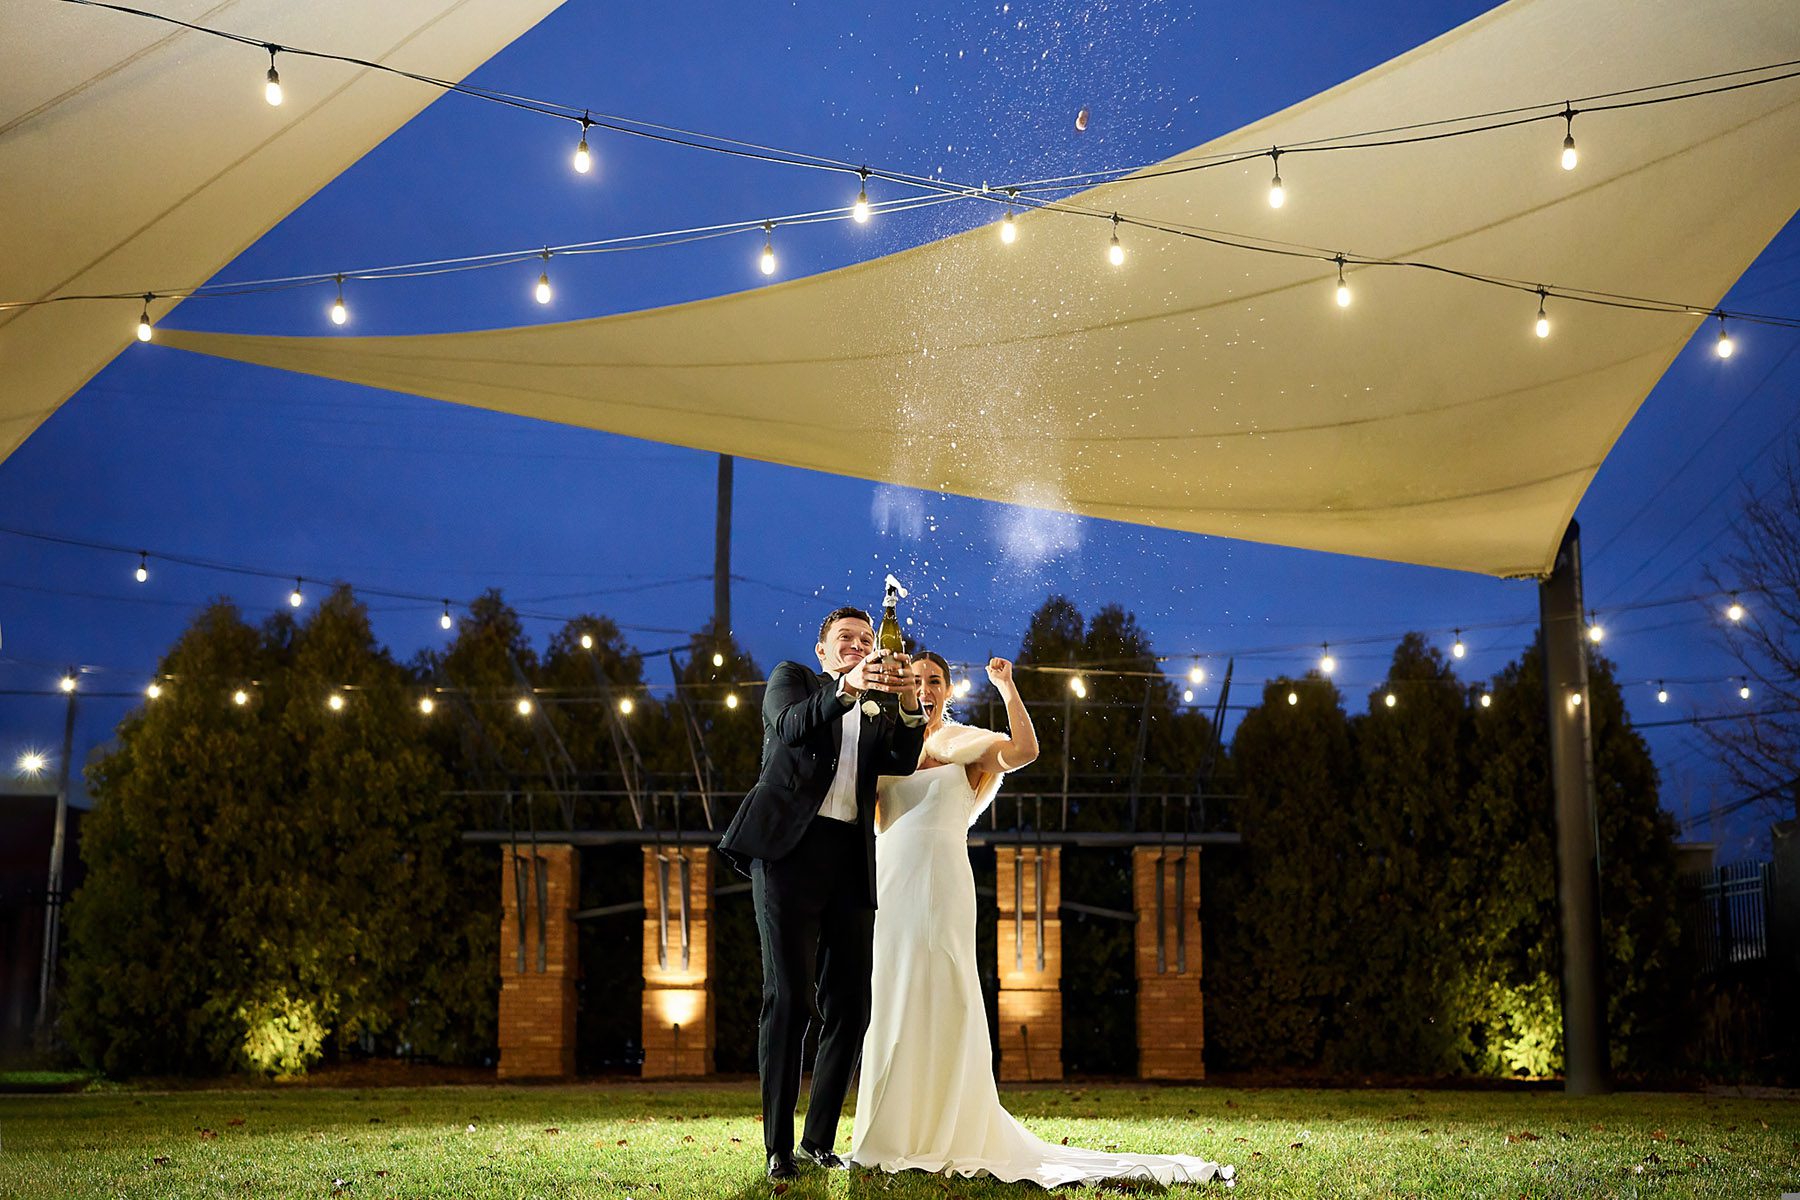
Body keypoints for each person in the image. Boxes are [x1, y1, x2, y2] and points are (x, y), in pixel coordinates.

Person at [848, 652, 1234, 1188]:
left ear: (947, 689)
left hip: (940, 887)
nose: (924, 686)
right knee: (892, 996)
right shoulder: (886, 746)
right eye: (914, 679)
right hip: (890, 886)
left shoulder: (959, 741)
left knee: (943, 993)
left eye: (934, 679)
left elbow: (1025, 750)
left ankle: (950, 1129)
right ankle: (892, 1132)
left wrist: (1006, 688)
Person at [717, 606, 927, 1182]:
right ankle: (777, 1147)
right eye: (846, 639)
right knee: (789, 999)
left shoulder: (880, 703)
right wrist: (844, 690)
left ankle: (817, 1140)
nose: (859, 646)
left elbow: (903, 761)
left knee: (852, 1005)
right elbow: (790, 728)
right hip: (787, 853)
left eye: (866, 639)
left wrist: (909, 704)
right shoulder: (794, 680)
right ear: (823, 651)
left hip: (849, 859)